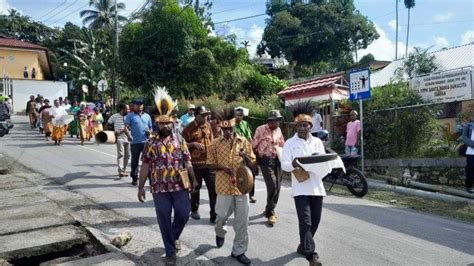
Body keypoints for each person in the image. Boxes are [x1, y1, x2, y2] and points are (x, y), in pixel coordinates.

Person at [137, 87, 197, 262]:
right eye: (161, 123)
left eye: (167, 123)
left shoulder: (180, 140)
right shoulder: (150, 143)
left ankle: (173, 236)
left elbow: (188, 161)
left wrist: (193, 180)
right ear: (156, 123)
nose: (164, 126)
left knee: (184, 214)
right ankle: (170, 250)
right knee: (163, 218)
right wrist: (141, 187)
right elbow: (145, 166)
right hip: (159, 188)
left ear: (173, 122)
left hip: (179, 186)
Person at [207, 108, 256, 265]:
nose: (227, 131)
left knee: (242, 221)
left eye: (230, 128)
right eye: (224, 128)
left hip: (242, 187)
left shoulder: (244, 142)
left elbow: (253, 164)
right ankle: (220, 232)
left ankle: (238, 251)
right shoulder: (214, 144)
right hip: (223, 185)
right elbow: (210, 165)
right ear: (221, 127)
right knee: (221, 216)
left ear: (235, 126)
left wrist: (245, 157)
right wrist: (222, 167)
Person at [281, 102, 326, 266]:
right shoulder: (289, 143)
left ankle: (303, 246)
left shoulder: (317, 142)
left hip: (316, 187)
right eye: (299, 125)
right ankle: (311, 255)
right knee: (305, 222)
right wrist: (294, 163)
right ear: (295, 126)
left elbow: (323, 161)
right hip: (300, 189)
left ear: (310, 126)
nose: (302, 128)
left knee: (315, 221)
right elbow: (284, 165)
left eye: (305, 125)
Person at [182, 106, 217, 223]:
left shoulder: (208, 126)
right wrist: (193, 145)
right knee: (195, 188)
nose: (205, 117)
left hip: (209, 163)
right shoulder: (188, 129)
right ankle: (194, 209)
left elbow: (212, 140)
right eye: (203, 115)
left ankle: (214, 213)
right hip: (195, 165)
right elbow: (182, 146)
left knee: (213, 189)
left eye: (206, 115)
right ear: (196, 115)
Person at [252, 110, 285, 226]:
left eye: (279, 121)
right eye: (276, 121)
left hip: (277, 159)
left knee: (278, 186)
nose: (278, 123)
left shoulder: (278, 130)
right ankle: (271, 212)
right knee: (272, 184)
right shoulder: (260, 129)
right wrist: (254, 163)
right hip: (265, 160)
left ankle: (269, 208)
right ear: (270, 121)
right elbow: (253, 146)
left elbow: (282, 143)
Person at [125, 99, 153, 186]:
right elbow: (125, 127)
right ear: (133, 106)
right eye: (137, 104)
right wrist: (129, 136)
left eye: (140, 104)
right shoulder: (130, 116)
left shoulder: (147, 116)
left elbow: (151, 128)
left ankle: (150, 179)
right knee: (134, 161)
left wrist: (150, 132)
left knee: (148, 161)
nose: (139, 106)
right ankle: (134, 178)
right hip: (135, 142)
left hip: (146, 142)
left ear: (142, 106)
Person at [234, 107, 256, 203]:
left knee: (251, 172)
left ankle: (251, 194)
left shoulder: (245, 124)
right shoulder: (231, 125)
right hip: (236, 153)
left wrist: (250, 151)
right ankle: (239, 190)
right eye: (237, 115)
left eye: (241, 115)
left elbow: (249, 138)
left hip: (246, 151)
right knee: (239, 173)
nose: (239, 117)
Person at [108, 103, 132, 177]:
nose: (129, 110)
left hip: (128, 138)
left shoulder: (129, 117)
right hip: (119, 138)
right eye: (127, 109)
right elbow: (108, 124)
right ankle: (120, 170)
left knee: (127, 155)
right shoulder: (114, 116)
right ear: (123, 109)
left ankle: (124, 170)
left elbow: (131, 126)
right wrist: (113, 132)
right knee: (120, 155)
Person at [462, 119, 474, 193]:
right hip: (471, 152)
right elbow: (464, 137)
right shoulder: (468, 125)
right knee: (470, 170)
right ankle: (469, 186)